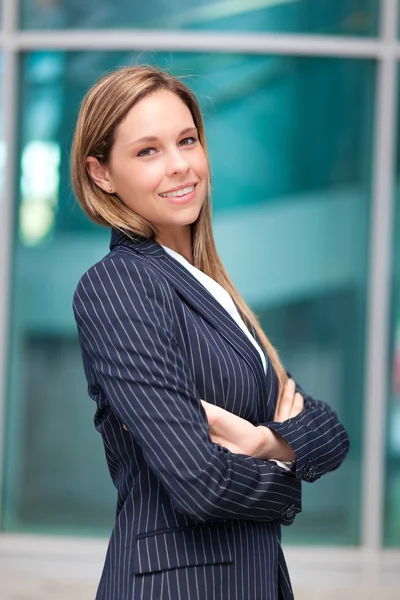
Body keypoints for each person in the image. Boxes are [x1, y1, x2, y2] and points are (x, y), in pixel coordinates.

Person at [71, 64, 349, 600]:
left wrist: (261, 441)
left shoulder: (207, 287)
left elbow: (329, 431)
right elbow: (201, 484)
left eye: (187, 141)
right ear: (101, 173)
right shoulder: (120, 286)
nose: (179, 166)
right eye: (148, 151)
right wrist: (289, 471)